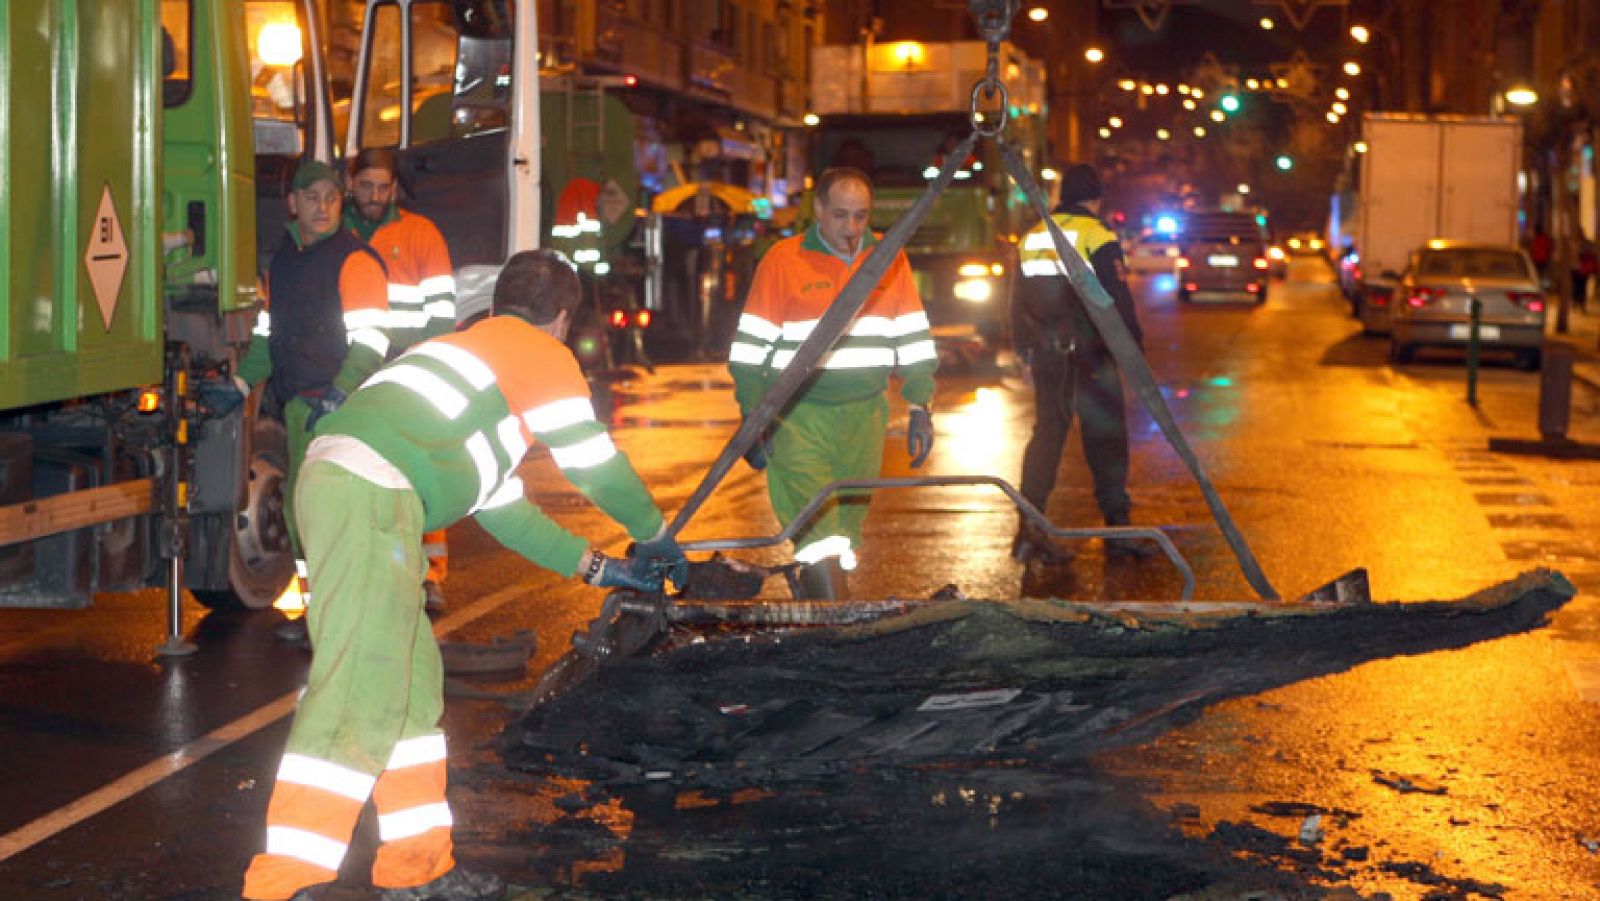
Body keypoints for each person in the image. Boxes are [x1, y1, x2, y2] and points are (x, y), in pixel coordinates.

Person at [240, 250, 687, 901]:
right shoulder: (536, 352)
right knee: (358, 689)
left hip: (352, 488)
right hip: (369, 494)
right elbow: (592, 461)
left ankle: (416, 866)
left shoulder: (467, 361)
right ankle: (286, 881)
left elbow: (506, 512)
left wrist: (600, 567)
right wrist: (653, 531)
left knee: (413, 690)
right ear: (560, 319)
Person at [727, 167, 938, 599]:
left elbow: (913, 337)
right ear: (818, 210)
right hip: (799, 418)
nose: (852, 228)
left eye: (861, 215)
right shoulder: (783, 261)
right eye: (841, 215)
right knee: (818, 529)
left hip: (865, 416)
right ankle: (838, 628)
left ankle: (820, 616)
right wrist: (752, 416)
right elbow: (750, 350)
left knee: (842, 531)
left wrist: (920, 406)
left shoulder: (889, 258)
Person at [239, 160, 391, 611]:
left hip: (341, 409)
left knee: (331, 512)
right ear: (292, 204)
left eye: (331, 198)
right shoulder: (285, 262)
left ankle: (343, 613)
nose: (322, 207)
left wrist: (338, 394)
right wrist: (238, 382)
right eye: (311, 198)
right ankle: (318, 614)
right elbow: (269, 336)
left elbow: (372, 341)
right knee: (301, 511)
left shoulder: (354, 259)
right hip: (302, 407)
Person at [1011, 162, 1151, 564]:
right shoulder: (1096, 234)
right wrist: (1133, 349)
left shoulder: (1033, 235)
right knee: (1106, 439)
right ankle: (1117, 528)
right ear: (1095, 199)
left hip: (1049, 355)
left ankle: (1029, 529)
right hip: (1091, 354)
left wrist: (1023, 347)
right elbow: (1116, 299)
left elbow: (1015, 299)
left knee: (1047, 437)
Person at [345, 146, 459, 614]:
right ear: (351, 186)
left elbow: (442, 313)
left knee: (418, 474)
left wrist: (419, 365)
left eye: (382, 187)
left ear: (394, 188)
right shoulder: (340, 233)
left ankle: (430, 577)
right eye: (366, 186)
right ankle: (372, 575)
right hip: (357, 368)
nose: (374, 196)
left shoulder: (420, 233)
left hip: (406, 371)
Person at [1573, 239, 1597, 312]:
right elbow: (1593, 264)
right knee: (1581, 289)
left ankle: (1577, 304)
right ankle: (1580, 305)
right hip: (1583, 272)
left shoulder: (1580, 252)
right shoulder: (1590, 254)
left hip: (1579, 272)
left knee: (1578, 288)